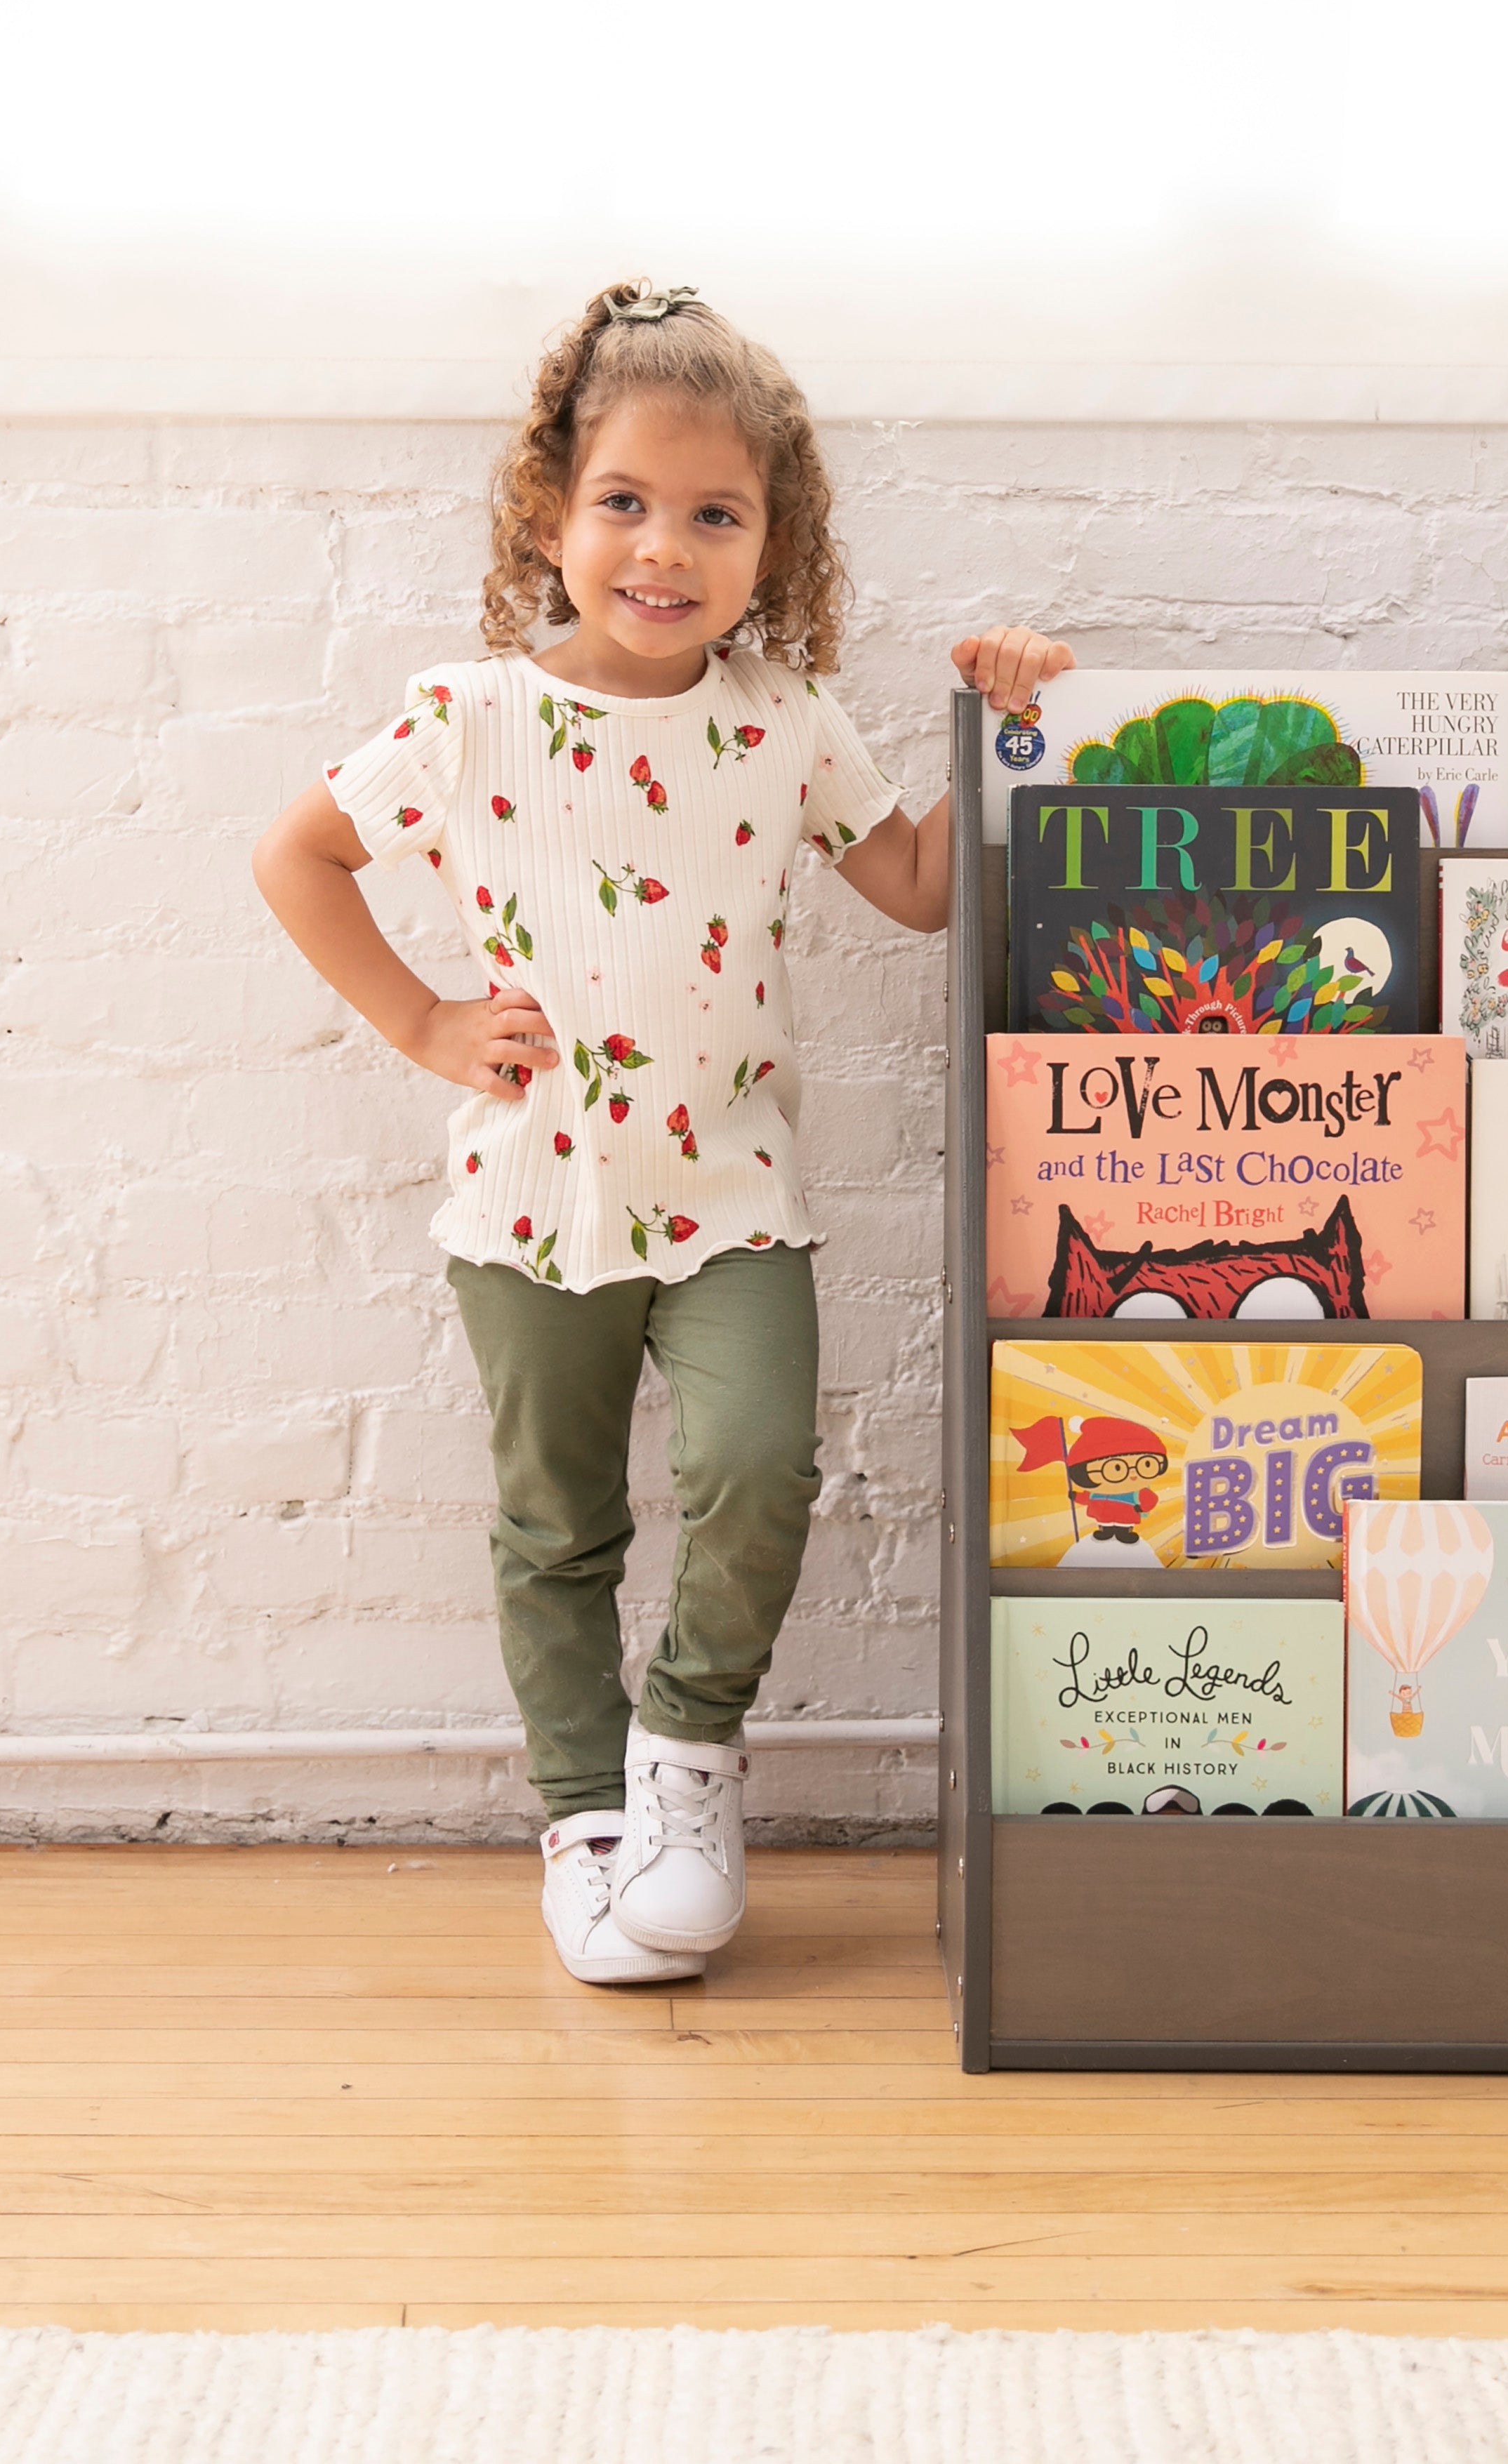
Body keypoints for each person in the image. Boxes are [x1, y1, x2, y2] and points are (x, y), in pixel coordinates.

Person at [253, 279, 1070, 1984]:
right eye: (624, 501)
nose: (663, 546)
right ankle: (584, 1813)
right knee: (556, 1521)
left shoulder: (782, 719)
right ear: (551, 511)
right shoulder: (466, 718)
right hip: (531, 1187)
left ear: (775, 542)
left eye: (715, 514)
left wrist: (999, 727)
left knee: (758, 1459)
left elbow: (917, 889)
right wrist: (420, 1019)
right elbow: (297, 856)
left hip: (729, 1185)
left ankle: (686, 1758)